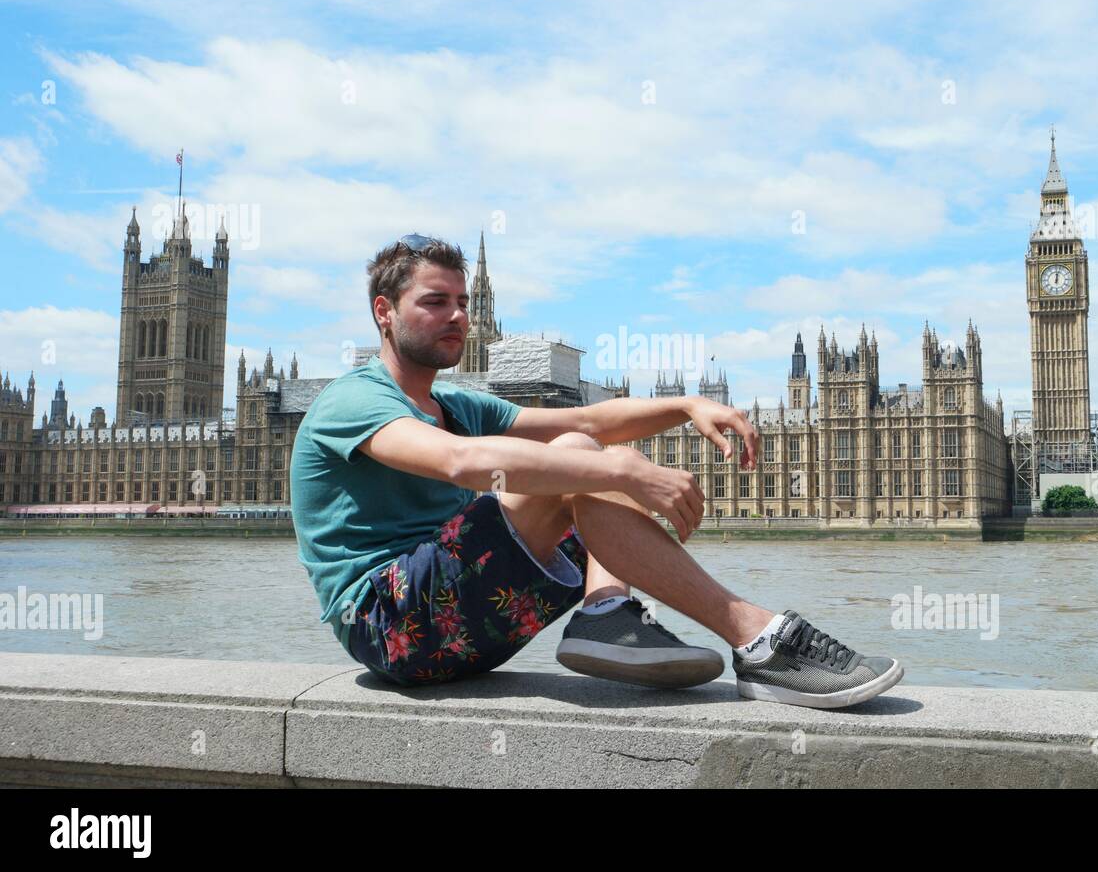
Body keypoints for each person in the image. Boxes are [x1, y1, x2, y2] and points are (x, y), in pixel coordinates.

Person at [289, 234, 902, 709]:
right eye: (434, 302)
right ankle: (757, 637)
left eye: (463, 303)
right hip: (390, 624)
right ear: (384, 312)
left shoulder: (457, 404)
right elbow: (461, 462)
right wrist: (619, 471)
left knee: (585, 446)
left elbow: (589, 417)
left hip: (461, 631)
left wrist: (687, 405)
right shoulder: (355, 399)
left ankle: (607, 614)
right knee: (584, 457)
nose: (457, 317)